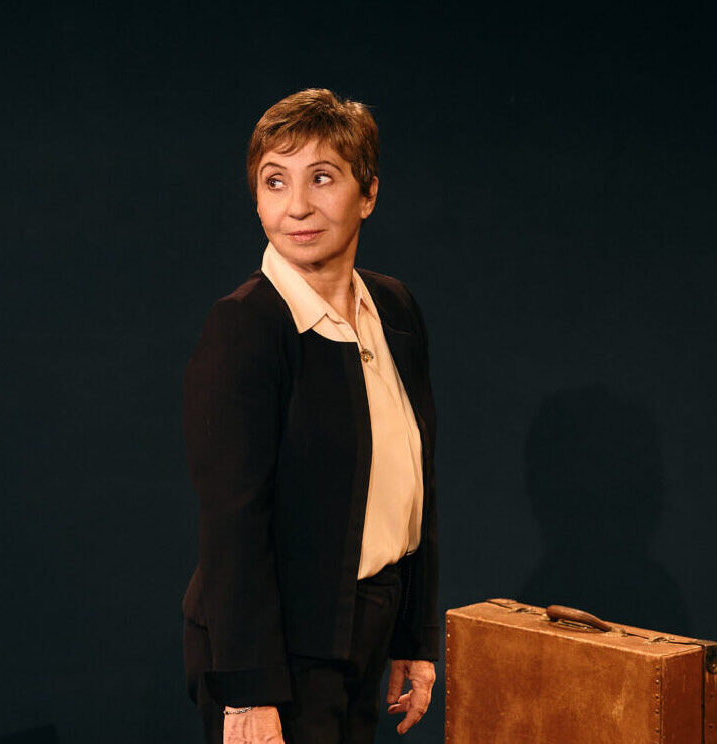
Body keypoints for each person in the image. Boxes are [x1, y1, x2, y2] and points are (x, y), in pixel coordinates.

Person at [181, 88, 440, 744]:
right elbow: (233, 523)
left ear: (368, 193)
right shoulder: (246, 325)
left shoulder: (394, 310)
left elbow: (413, 484)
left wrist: (413, 637)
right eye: (275, 182)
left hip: (364, 627)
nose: (296, 206)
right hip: (277, 654)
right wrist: (248, 693)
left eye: (322, 177)